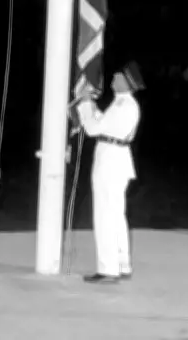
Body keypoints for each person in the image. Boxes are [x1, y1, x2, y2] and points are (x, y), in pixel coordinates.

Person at [76, 61, 145, 285]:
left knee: (105, 215)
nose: (113, 79)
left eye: (118, 77)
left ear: (127, 82)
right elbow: (104, 123)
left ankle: (108, 269)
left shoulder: (124, 106)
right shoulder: (122, 104)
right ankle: (121, 264)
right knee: (115, 215)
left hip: (110, 162)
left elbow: (94, 128)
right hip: (115, 160)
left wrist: (85, 104)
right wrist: (92, 106)